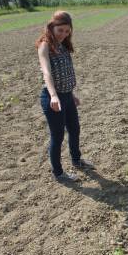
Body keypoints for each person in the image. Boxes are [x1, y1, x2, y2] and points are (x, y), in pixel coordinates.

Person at [36, 11, 93, 181]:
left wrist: (71, 94)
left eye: (67, 31)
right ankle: (59, 173)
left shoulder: (63, 45)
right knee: (58, 136)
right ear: (52, 27)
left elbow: (65, 72)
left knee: (75, 129)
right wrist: (54, 96)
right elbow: (47, 73)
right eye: (60, 30)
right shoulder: (45, 45)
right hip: (53, 98)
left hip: (67, 96)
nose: (63, 34)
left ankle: (76, 160)